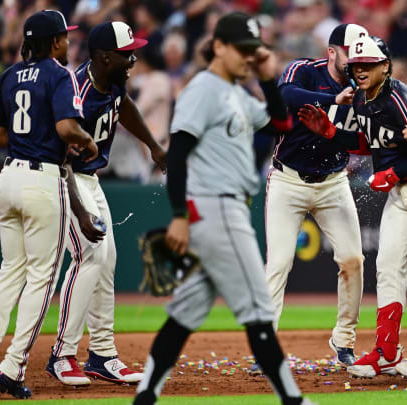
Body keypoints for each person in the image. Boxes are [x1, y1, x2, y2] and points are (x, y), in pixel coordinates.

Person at [133, 12, 313, 405]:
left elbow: (281, 123)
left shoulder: (236, 92)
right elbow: (177, 155)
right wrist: (179, 216)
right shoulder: (203, 89)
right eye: (243, 50)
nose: (249, 57)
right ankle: (293, 400)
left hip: (220, 210)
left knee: (186, 311)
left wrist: (268, 76)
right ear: (218, 46)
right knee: (259, 308)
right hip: (215, 210)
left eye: (254, 50)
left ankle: (146, 394)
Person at [298, 35, 407, 378]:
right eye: (356, 64)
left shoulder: (398, 97)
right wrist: (331, 132)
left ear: (385, 66)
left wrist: (393, 171)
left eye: (369, 64)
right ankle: (386, 350)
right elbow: (369, 140)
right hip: (401, 186)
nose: (360, 70)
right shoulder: (360, 98)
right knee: (387, 266)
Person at [0, 10, 97, 399]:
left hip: (8, 177)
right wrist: (88, 140)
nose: (68, 41)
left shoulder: (10, 75)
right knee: (41, 277)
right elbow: (66, 128)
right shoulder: (59, 74)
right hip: (42, 179)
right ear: (55, 42)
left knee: (9, 270)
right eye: (64, 36)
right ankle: (11, 368)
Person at [45, 21, 167, 387]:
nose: (132, 59)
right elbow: (59, 154)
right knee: (89, 257)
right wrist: (79, 210)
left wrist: (152, 144)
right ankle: (62, 355)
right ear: (103, 55)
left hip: (91, 178)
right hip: (64, 178)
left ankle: (102, 354)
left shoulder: (112, 81)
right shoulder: (75, 90)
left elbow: (123, 105)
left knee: (107, 262)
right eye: (126, 54)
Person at [264, 23, 368, 367]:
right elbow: (285, 97)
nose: (356, 60)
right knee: (278, 263)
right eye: (350, 52)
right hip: (288, 180)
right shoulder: (305, 70)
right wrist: (331, 100)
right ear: (332, 52)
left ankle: (344, 341)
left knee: (353, 259)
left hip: (333, 182)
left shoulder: (363, 86)